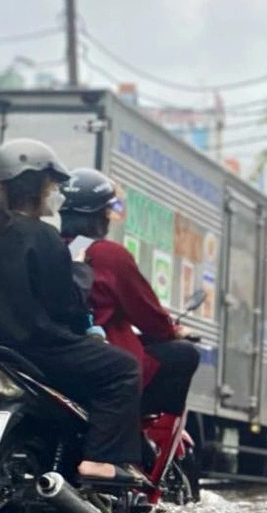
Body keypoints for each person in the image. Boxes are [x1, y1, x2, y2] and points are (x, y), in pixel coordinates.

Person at [0, 141, 145, 486]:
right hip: (39, 351)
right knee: (123, 368)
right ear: (37, 186)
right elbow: (66, 310)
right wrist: (81, 288)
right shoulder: (42, 236)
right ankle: (99, 461)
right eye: (50, 185)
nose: (52, 194)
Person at [58, 169, 201, 418]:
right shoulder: (108, 254)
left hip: (54, 353)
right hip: (100, 358)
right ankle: (138, 425)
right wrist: (173, 331)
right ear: (103, 213)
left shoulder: (51, 246)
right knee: (184, 354)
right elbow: (148, 314)